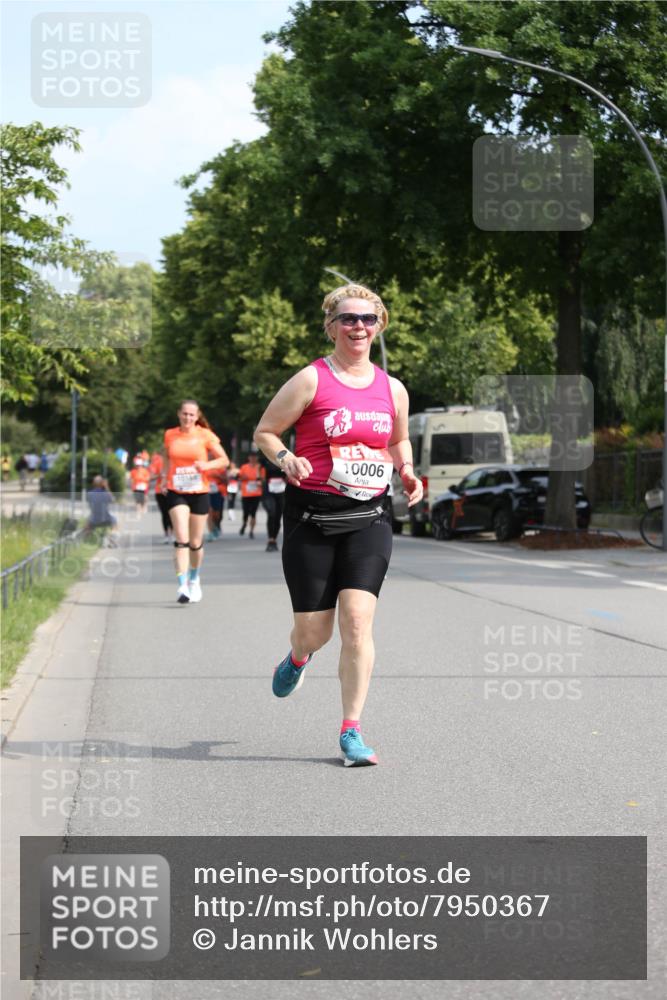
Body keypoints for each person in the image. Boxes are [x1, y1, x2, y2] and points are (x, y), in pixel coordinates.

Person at [254, 283, 423, 767]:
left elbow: (398, 440)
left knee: (356, 622)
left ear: (380, 326)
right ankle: (298, 657)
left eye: (368, 319)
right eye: (349, 319)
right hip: (312, 517)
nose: (359, 327)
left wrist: (406, 469)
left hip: (368, 517)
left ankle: (351, 730)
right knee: (315, 632)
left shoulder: (392, 389)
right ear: (331, 326)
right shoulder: (310, 380)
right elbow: (265, 432)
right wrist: (286, 457)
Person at [159, 399, 229, 603]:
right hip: (176, 490)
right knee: (182, 538)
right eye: (184, 414)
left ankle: (194, 578)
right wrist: (164, 477)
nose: (188, 418)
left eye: (192, 415)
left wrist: (205, 466)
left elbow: (224, 460)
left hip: (199, 490)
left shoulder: (205, 435)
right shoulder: (170, 434)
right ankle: (182, 586)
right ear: (178, 414)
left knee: (196, 542)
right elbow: (166, 457)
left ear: (197, 417)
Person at [261, 456, 287, 552]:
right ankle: (270, 539)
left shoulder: (284, 459)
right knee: (271, 513)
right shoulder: (265, 459)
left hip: (281, 491)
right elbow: (261, 474)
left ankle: (274, 539)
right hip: (269, 491)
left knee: (277, 516)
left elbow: (288, 475)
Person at [238, 453, 264, 539]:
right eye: (251, 456)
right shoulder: (244, 467)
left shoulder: (260, 467)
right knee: (245, 512)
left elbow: (264, 479)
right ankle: (244, 523)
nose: (253, 458)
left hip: (256, 493)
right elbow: (239, 478)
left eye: (254, 457)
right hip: (246, 493)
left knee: (253, 513)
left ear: (257, 458)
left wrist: (260, 481)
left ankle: (251, 531)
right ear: (248, 457)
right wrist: (243, 478)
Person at [85, 475, 118, 544]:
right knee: (114, 521)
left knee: (88, 522)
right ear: (102, 483)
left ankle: (85, 539)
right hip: (106, 519)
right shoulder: (106, 494)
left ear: (93, 484)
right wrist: (106, 487)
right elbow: (113, 500)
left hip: (94, 520)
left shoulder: (89, 494)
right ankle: (112, 537)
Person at [149, 452, 172, 544]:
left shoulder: (176, 460)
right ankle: (166, 534)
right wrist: (161, 475)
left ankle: (173, 534)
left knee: (173, 513)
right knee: (165, 513)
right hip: (160, 491)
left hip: (173, 490)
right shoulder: (157, 462)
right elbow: (150, 477)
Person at [206, 466, 227, 540]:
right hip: (206, 491)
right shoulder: (203, 465)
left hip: (218, 492)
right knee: (209, 511)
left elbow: (226, 481)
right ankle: (210, 532)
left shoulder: (220, 467)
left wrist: (218, 476)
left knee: (217, 514)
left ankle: (216, 526)